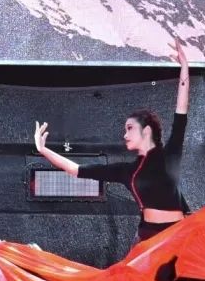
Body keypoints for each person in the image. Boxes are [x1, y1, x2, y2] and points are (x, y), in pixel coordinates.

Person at [34, 40, 191, 244]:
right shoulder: (126, 171)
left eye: (130, 128)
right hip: (147, 239)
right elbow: (77, 170)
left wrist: (185, 67)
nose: (125, 135)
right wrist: (43, 150)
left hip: (177, 237)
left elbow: (181, 111)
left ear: (146, 130)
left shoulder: (170, 155)